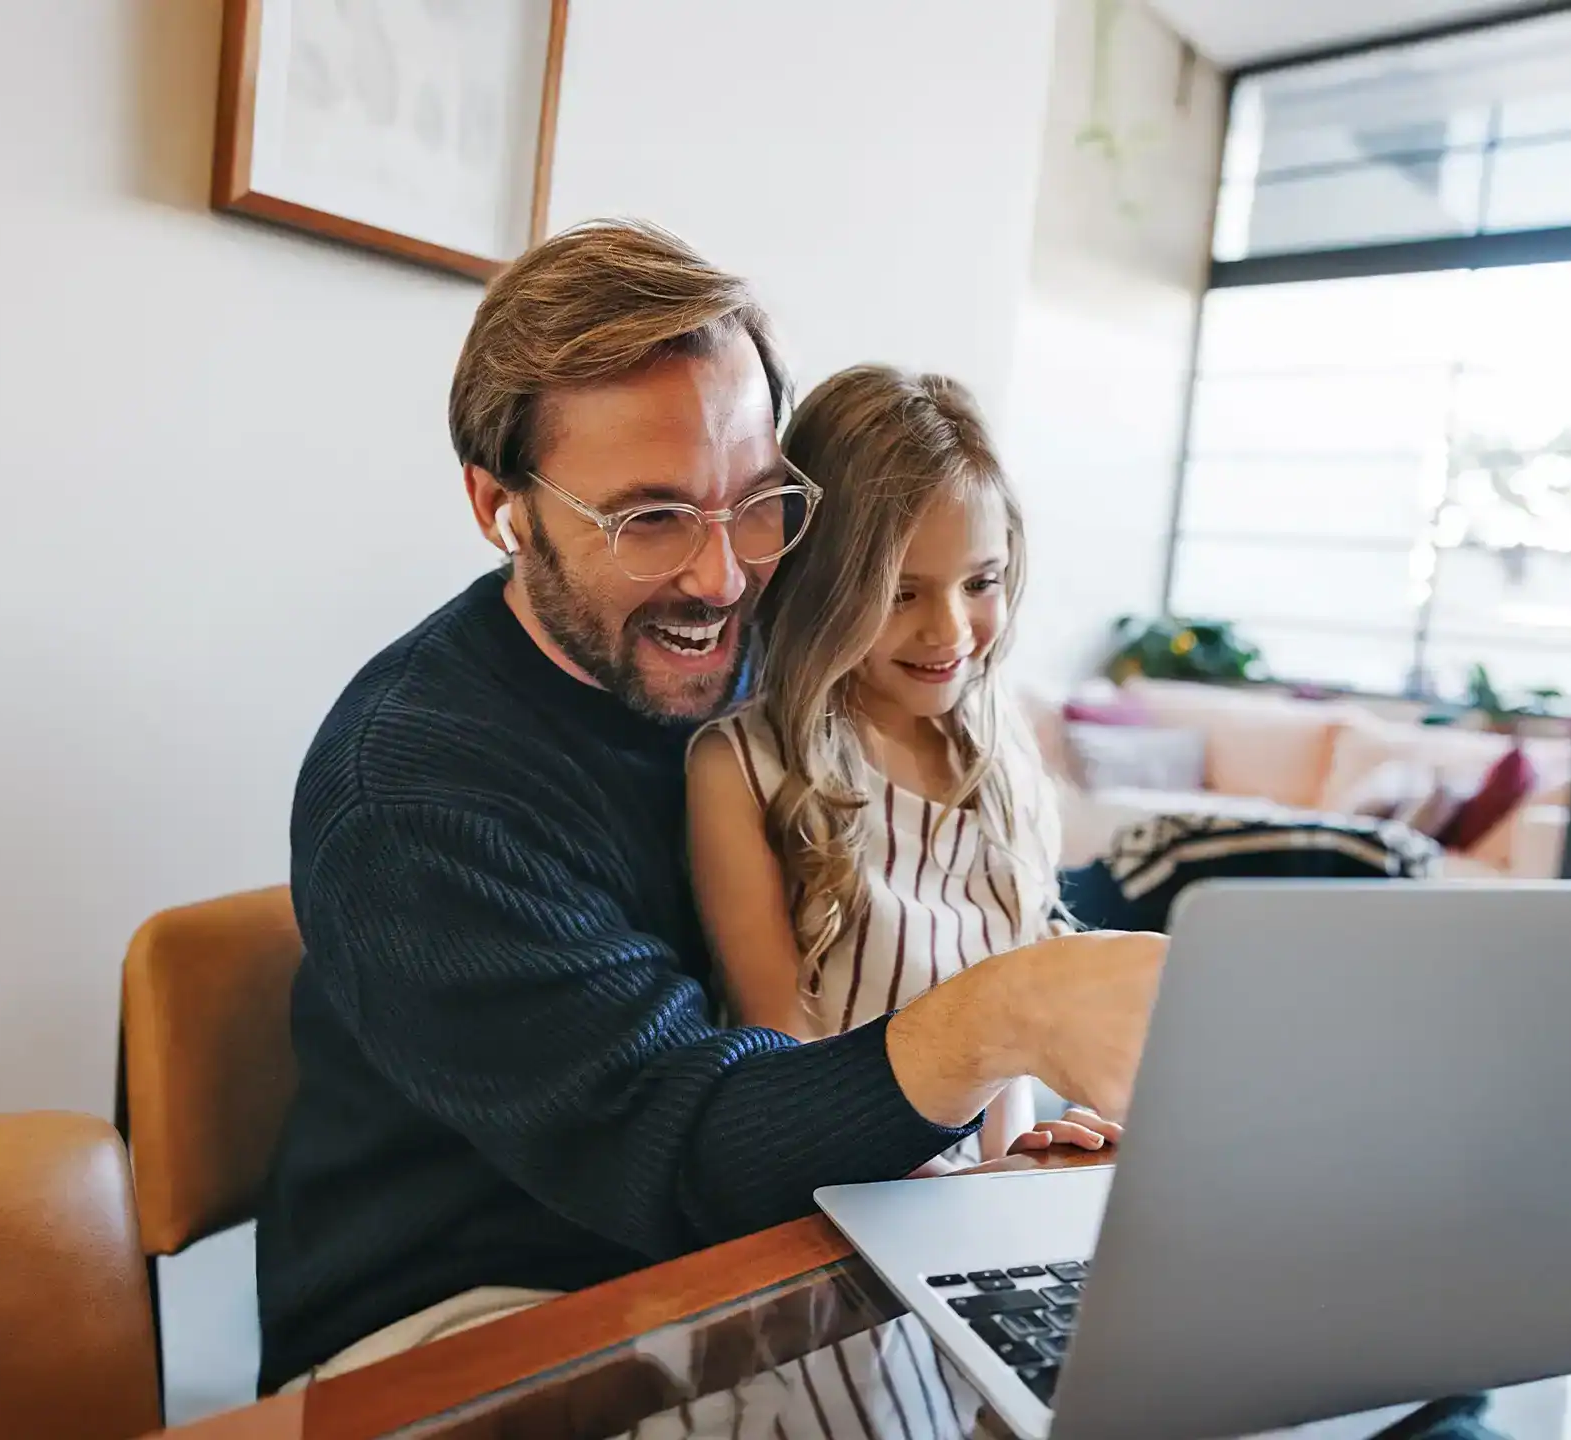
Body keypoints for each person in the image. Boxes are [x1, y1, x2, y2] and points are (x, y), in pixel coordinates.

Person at [253, 220, 1166, 1394]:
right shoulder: (415, 797)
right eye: (651, 518)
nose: (724, 576)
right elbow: (685, 1151)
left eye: (758, 501)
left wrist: (1075, 1037)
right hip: (481, 1313)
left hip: (785, 1241)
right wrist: (1002, 1018)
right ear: (501, 507)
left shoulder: (768, 666)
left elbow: (927, 896)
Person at [688, 365, 1118, 1171]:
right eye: (901, 593)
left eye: (980, 582)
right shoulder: (742, 768)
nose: (950, 630)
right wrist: (966, 1185)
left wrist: (1023, 1157)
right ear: (823, 587)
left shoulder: (1001, 756)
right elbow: (782, 1061)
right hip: (837, 1194)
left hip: (975, 1201)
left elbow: (1008, 1042)